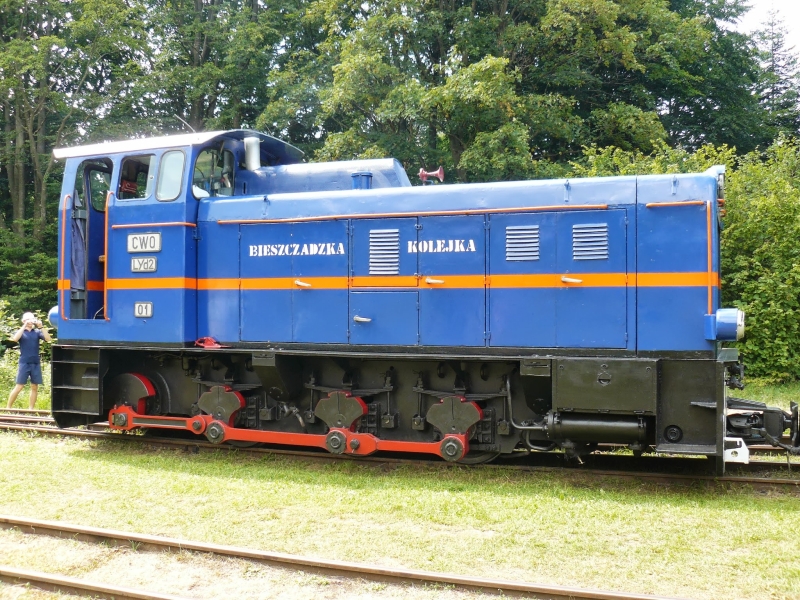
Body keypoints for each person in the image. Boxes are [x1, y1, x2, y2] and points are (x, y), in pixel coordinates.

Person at [7, 312, 51, 410]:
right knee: (19, 386)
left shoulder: (37, 332)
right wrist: (24, 326)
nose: (30, 322)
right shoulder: (21, 332)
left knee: (34, 386)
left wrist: (41, 327)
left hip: (35, 362)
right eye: (28, 319)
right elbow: (15, 339)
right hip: (24, 362)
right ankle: (8, 408)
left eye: (31, 319)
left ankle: (31, 409)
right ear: (23, 321)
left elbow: (48, 339)